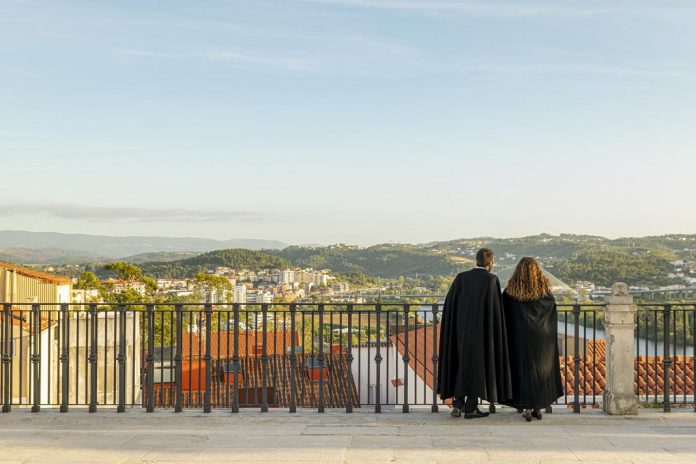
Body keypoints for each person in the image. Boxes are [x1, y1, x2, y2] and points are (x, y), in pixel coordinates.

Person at [437, 248, 512, 419]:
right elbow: (496, 310)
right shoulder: (491, 280)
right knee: (477, 369)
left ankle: (457, 405)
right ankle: (470, 408)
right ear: (491, 263)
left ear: (476, 261)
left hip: (459, 332)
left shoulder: (461, 278)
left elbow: (450, 305)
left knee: (460, 365)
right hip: (481, 334)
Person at [502, 257, 563, 422]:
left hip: (519, 338)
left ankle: (526, 407)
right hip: (542, 339)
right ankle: (537, 406)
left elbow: (504, 315)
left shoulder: (510, 292)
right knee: (541, 371)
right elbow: (551, 313)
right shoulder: (545, 292)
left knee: (522, 370)